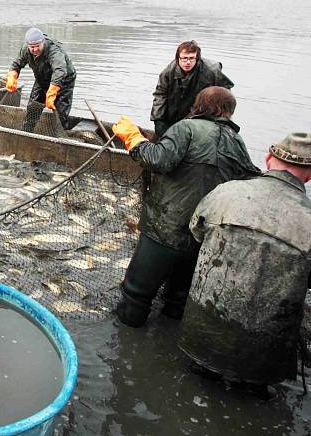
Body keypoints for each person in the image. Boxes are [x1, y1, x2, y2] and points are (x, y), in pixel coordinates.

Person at [111, 87, 260, 328]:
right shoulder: (237, 142)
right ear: (229, 113)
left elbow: (157, 160)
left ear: (198, 106)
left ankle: (125, 338)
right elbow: (248, 181)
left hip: (164, 231)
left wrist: (134, 138)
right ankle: (163, 343)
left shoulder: (186, 128)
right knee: (178, 301)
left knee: (135, 295)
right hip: (201, 238)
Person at [179, 133, 311, 390]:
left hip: (202, 333)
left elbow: (196, 231)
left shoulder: (226, 192)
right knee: (252, 393)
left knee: (196, 383)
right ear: (309, 175)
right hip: (262, 351)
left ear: (269, 159)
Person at [151, 40, 234, 138]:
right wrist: (158, 119)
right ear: (178, 58)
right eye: (184, 58)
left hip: (201, 113)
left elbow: (226, 93)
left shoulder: (212, 71)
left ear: (197, 58)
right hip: (175, 109)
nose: (188, 62)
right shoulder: (168, 72)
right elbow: (160, 94)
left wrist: (216, 115)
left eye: (191, 58)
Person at [6, 27, 77, 131]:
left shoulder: (54, 51)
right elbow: (16, 64)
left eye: (37, 46)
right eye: (32, 47)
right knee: (33, 107)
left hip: (64, 81)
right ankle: (27, 131)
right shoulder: (26, 49)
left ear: (43, 42)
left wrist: (52, 93)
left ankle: (61, 133)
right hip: (42, 78)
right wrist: (12, 76)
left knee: (59, 112)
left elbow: (60, 71)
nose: (34, 50)